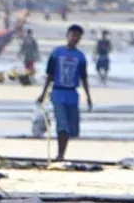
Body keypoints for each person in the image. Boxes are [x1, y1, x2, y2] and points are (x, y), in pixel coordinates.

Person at [37, 24, 93, 162]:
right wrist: (43, 94)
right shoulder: (57, 53)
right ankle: (60, 154)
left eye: (78, 36)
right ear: (68, 36)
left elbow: (84, 78)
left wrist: (88, 96)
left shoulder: (80, 57)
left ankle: (62, 152)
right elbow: (49, 75)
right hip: (58, 92)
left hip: (72, 94)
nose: (75, 38)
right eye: (73, 35)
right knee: (61, 124)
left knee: (71, 127)